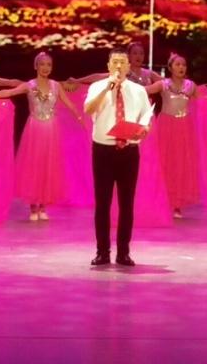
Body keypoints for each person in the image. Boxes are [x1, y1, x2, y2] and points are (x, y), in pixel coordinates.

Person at [0, 52, 84, 222]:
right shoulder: (30, 85)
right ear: (36, 66)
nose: (46, 68)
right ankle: (33, 205)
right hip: (34, 131)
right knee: (34, 165)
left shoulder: (56, 86)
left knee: (48, 166)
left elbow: (69, 104)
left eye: (49, 64)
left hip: (51, 131)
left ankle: (43, 206)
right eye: (42, 64)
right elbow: (10, 91)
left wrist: (81, 118)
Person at [83, 48, 154, 267]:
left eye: (123, 62)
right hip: (103, 150)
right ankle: (102, 252)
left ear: (128, 66)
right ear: (108, 66)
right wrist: (107, 88)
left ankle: (124, 252)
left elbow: (146, 116)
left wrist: (144, 129)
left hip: (128, 151)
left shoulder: (138, 90)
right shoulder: (97, 86)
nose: (119, 66)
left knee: (126, 203)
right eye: (115, 62)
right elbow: (88, 109)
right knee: (102, 203)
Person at [141, 53, 200, 219]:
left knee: (181, 164)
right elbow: (143, 91)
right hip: (166, 127)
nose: (181, 67)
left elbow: (203, 103)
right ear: (170, 68)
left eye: (184, 64)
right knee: (165, 162)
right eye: (177, 64)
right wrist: (122, 87)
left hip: (184, 128)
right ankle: (163, 200)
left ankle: (177, 204)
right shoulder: (163, 84)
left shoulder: (191, 86)